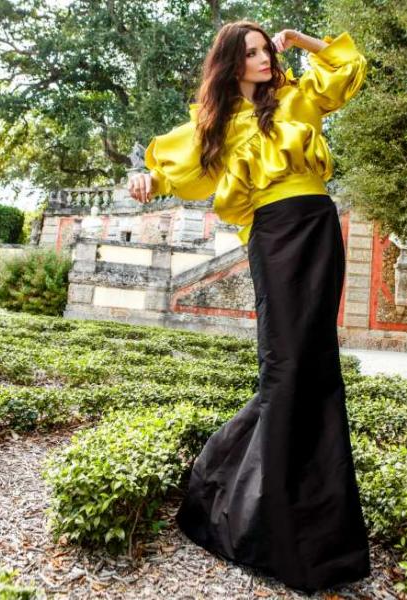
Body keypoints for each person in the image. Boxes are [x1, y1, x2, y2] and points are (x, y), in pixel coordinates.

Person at [127, 20, 370, 594]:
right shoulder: (215, 123)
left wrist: (301, 42)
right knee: (284, 368)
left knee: (317, 368)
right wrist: (146, 180)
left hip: (319, 226)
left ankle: (320, 533)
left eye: (267, 50)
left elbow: (347, 70)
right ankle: (245, 507)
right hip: (274, 233)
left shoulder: (295, 98)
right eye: (253, 53)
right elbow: (171, 170)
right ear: (232, 63)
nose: (264, 59)